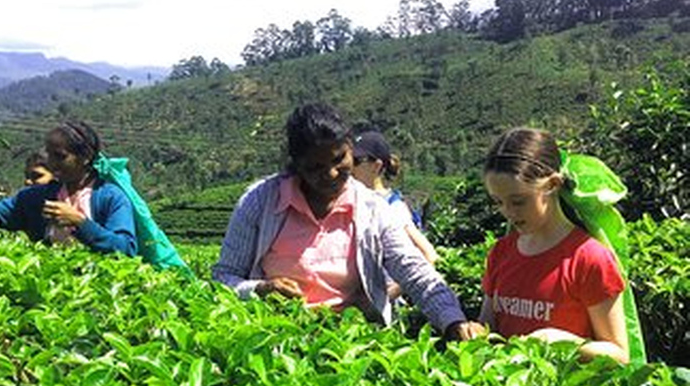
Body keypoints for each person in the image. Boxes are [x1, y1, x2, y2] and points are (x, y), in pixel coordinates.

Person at [212, 102, 482, 339]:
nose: (330, 174)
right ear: (296, 164)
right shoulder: (260, 202)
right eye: (314, 167)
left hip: (353, 340)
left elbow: (414, 270)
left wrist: (453, 321)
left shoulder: (372, 209)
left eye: (339, 159)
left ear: (351, 148)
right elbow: (223, 277)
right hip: (276, 339)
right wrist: (260, 289)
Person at [476, 127, 630, 363]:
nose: (508, 212)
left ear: (552, 185)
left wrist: (563, 343)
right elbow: (488, 327)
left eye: (518, 201)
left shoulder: (589, 258)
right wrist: (475, 333)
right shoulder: (501, 252)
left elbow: (619, 355)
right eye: (498, 202)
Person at [0, 121, 137, 256]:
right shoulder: (36, 197)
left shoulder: (111, 197)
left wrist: (81, 223)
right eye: (50, 155)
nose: (52, 164)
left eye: (60, 157)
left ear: (85, 158)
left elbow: (126, 248)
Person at [351, 130, 439, 300]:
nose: (349, 166)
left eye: (357, 161)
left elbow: (430, 255)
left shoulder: (393, 207)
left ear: (376, 166)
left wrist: (391, 293)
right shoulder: (355, 201)